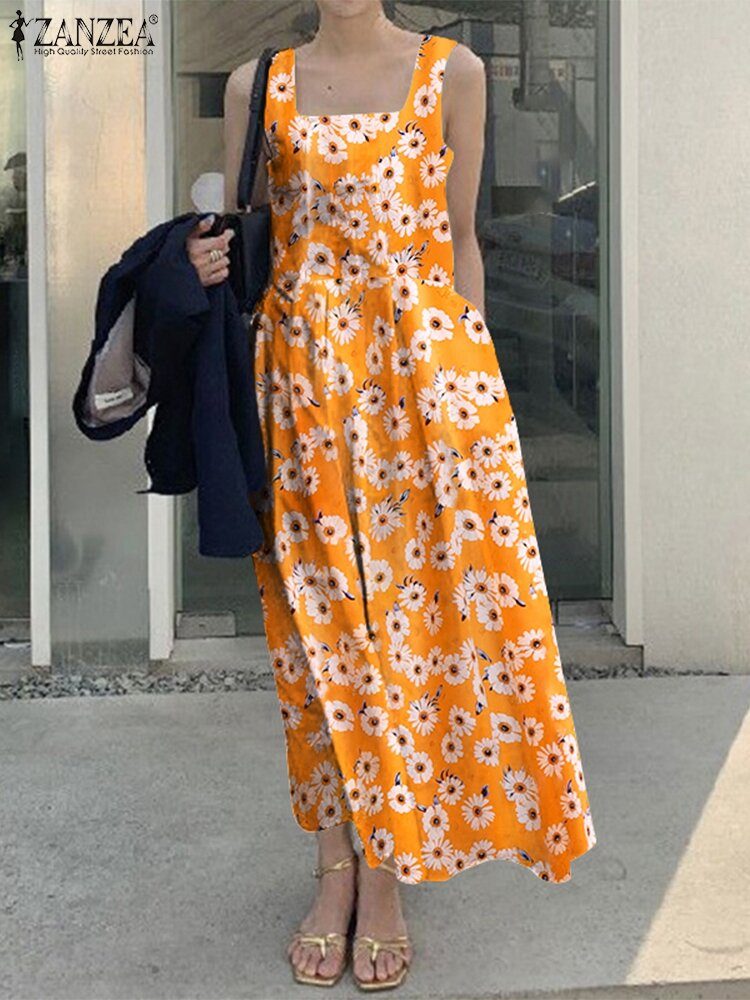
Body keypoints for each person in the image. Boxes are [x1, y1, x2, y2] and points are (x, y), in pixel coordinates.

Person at [187, 1, 597, 990]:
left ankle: (383, 877)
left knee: (408, 639)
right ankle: (334, 867)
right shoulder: (258, 86)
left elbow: (460, 241)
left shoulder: (453, 73)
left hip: (425, 391)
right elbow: (241, 243)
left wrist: (477, 399)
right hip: (299, 394)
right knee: (316, 639)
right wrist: (200, 258)